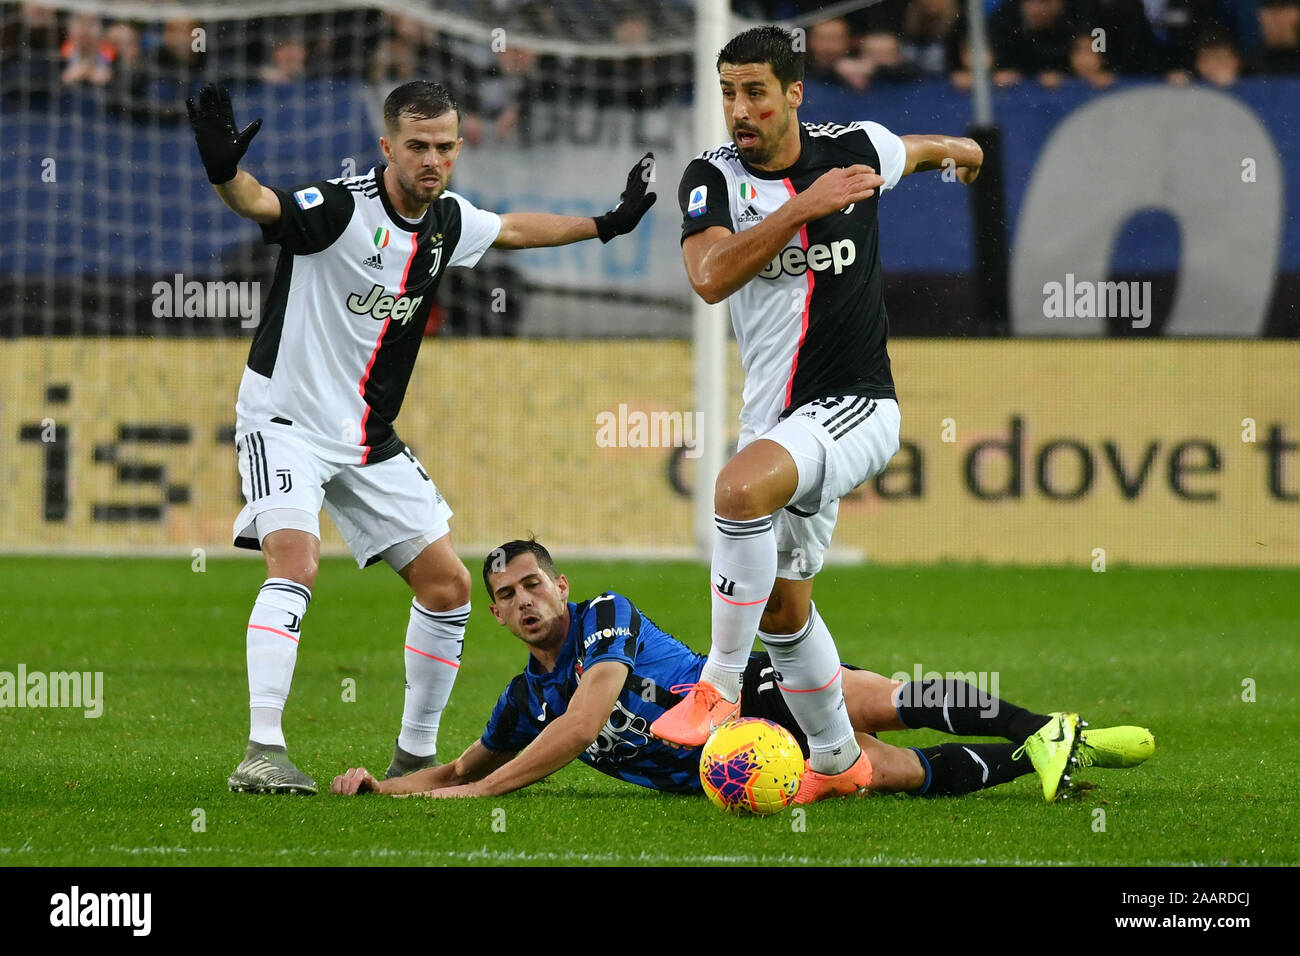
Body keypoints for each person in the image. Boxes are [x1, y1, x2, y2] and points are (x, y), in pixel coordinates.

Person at [186, 81, 656, 794]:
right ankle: (263, 751)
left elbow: (514, 229)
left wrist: (607, 223)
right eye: (417, 146)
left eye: (444, 146)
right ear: (388, 148)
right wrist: (225, 172)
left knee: (448, 585)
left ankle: (412, 760)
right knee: (297, 563)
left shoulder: (447, 223)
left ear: (458, 148)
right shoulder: (341, 209)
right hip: (285, 421)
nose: (431, 159)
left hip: (368, 436)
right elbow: (261, 202)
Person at [649, 25, 984, 803]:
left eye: (756, 92)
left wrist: (962, 154)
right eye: (729, 92)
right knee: (781, 606)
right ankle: (838, 762)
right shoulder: (714, 177)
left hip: (858, 404)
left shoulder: (853, 149)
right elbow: (709, 275)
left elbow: (921, 148)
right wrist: (803, 207)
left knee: (736, 493)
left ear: (793, 93)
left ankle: (717, 690)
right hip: (775, 418)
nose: (740, 109)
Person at [330, 539, 1154, 802]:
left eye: (535, 584)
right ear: (502, 617)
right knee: (889, 775)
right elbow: (460, 765)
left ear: (561, 586)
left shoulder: (605, 616)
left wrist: (477, 796)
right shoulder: (521, 699)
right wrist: (384, 791)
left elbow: (583, 724)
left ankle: (1048, 728)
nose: (526, 601)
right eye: (508, 596)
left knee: (895, 700)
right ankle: (1052, 747)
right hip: (737, 770)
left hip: (749, 692)